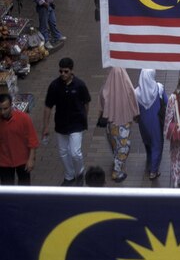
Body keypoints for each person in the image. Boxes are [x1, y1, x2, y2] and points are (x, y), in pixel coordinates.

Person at [42, 57, 91, 186]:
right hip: (61, 124)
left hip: (76, 124)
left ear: (71, 71)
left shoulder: (80, 85)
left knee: (75, 152)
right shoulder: (54, 86)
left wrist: (84, 118)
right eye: (61, 71)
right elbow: (48, 106)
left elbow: (86, 103)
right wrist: (46, 126)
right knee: (63, 152)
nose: (63, 74)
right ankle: (69, 175)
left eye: (66, 71)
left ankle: (80, 173)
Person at [98, 67, 139, 183]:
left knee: (115, 145)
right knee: (124, 146)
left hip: (111, 123)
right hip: (124, 122)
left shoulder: (106, 88)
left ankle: (117, 163)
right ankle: (117, 172)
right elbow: (133, 97)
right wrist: (136, 114)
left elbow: (101, 102)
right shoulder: (127, 87)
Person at [135, 69, 168, 180]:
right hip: (156, 123)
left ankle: (149, 159)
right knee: (157, 144)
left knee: (147, 142)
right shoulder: (159, 88)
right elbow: (167, 103)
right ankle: (153, 171)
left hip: (143, 124)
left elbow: (135, 110)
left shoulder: (136, 93)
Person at [0, 93, 39, 185]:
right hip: (4, 162)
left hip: (23, 160)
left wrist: (31, 159)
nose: (2, 112)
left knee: (24, 190)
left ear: (11, 105)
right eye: (0, 109)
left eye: (5, 108)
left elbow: (32, 140)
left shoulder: (24, 118)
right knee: (8, 191)